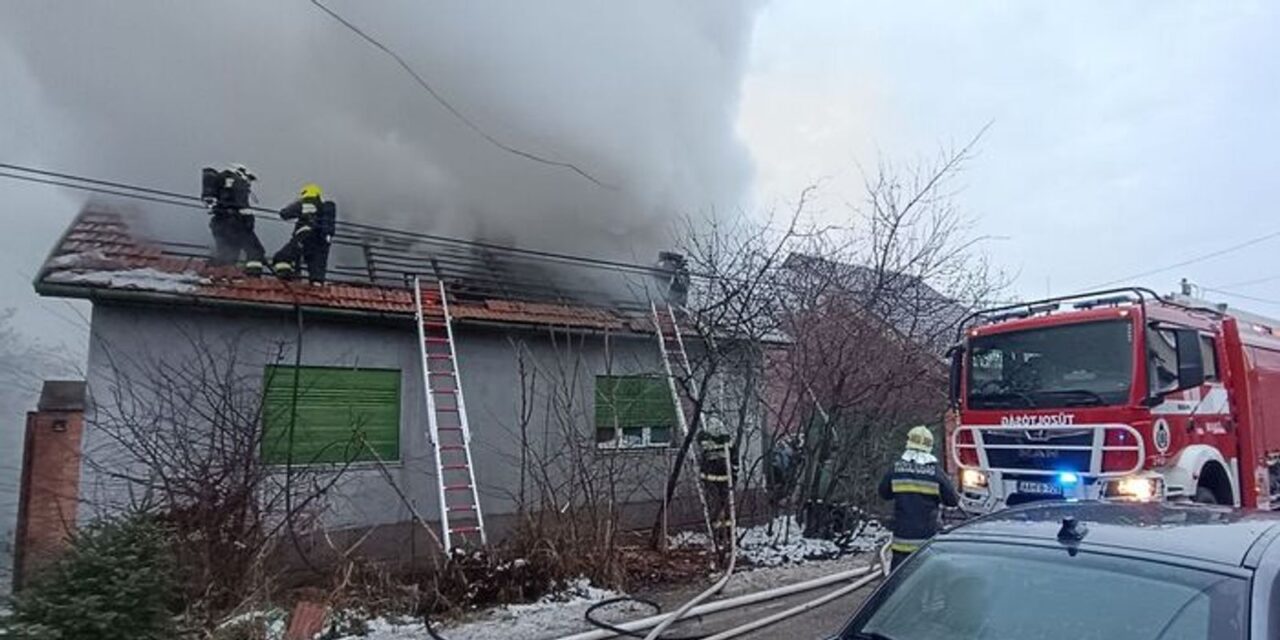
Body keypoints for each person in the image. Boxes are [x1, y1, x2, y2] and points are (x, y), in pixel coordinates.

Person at [878, 425, 958, 571]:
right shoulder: (936, 473)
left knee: (897, 582)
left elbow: (884, 493)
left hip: (901, 542)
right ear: (929, 446)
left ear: (909, 443)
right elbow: (952, 500)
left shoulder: (897, 469)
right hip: (926, 543)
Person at [201, 164, 265, 275]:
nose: (249, 183)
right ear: (242, 172)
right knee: (256, 251)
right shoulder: (239, 182)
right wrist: (249, 222)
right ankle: (253, 277)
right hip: (236, 224)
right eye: (249, 179)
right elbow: (242, 206)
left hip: (219, 224)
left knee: (228, 254)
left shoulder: (222, 183)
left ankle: (217, 273)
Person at [271, 183, 337, 285]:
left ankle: (286, 276)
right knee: (317, 266)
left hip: (303, 237)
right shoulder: (327, 207)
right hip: (321, 242)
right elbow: (329, 224)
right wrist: (327, 236)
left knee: (283, 256)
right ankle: (316, 284)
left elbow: (284, 214)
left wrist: (295, 203)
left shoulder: (304, 203)